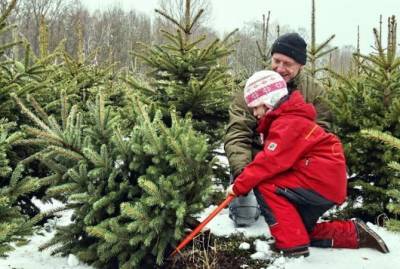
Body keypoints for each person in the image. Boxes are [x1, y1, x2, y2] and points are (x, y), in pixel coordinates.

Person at [226, 69, 390, 257]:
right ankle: (354, 233)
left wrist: (239, 186)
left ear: (269, 101)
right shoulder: (288, 119)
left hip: (318, 181)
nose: (254, 113)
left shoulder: (287, 122)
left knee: (264, 183)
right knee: (298, 229)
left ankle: (293, 246)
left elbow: (269, 162)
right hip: (324, 182)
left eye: (256, 106)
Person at [224, 32, 330, 227]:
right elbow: (237, 132)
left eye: (288, 64)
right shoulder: (253, 86)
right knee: (244, 217)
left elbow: (321, 134)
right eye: (276, 61)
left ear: (301, 66)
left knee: (294, 221)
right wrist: (242, 173)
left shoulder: (314, 92)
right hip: (255, 161)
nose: (280, 68)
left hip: (293, 164)